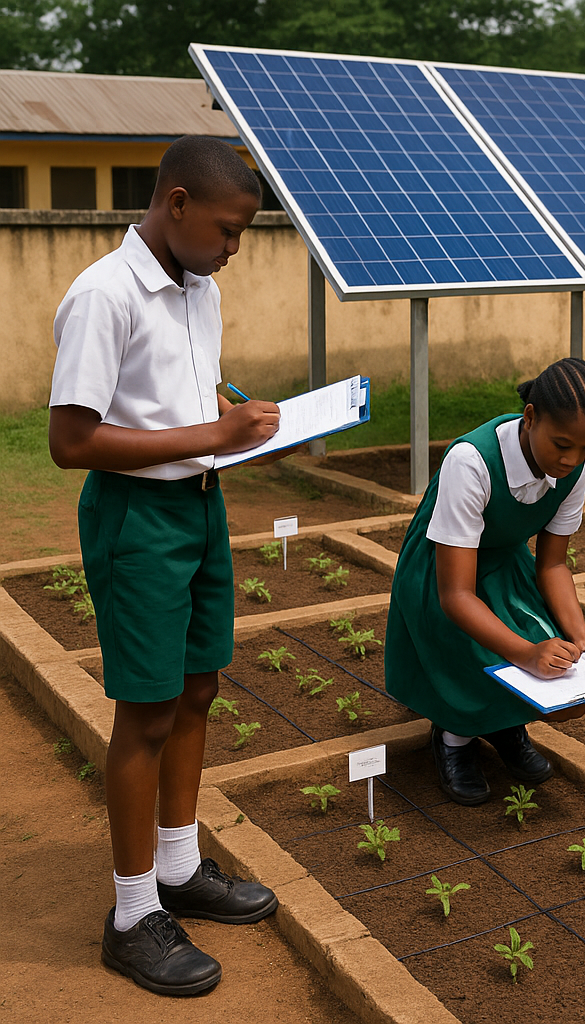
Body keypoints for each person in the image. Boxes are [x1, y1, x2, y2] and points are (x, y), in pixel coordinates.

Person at [49, 136, 287, 995]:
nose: (234, 247)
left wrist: (236, 420)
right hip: (136, 518)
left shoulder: (200, 288)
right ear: (177, 203)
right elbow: (71, 442)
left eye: (242, 235)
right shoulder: (103, 296)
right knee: (145, 711)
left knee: (198, 688)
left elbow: (180, 402)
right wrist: (210, 436)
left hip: (197, 504)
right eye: (226, 229)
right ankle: (131, 912)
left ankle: (180, 868)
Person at [387, 358, 585, 805]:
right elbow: (455, 595)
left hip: (502, 563)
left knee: (568, 693)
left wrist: (580, 634)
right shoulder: (471, 461)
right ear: (529, 418)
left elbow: (551, 565)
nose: (571, 460)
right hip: (440, 570)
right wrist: (526, 652)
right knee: (474, 651)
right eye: (562, 444)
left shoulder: (575, 468)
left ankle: (505, 724)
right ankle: (455, 738)